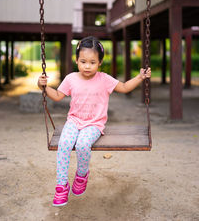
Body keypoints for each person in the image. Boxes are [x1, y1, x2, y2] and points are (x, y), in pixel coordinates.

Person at [37, 36, 151, 207]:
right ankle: (61, 185)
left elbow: (125, 87)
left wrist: (140, 77)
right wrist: (43, 87)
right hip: (74, 121)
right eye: (83, 61)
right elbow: (58, 96)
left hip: (94, 124)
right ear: (76, 60)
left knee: (83, 144)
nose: (87, 66)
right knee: (64, 144)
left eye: (92, 62)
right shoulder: (71, 79)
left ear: (99, 63)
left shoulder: (104, 79)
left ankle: (82, 175)